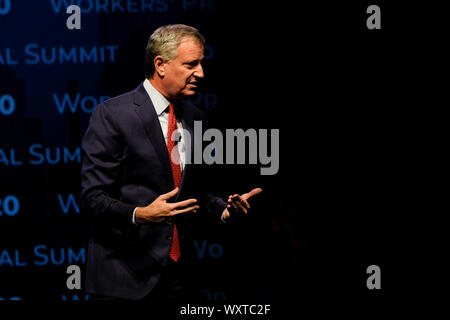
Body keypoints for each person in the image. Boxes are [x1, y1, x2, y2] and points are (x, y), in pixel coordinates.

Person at [80, 24, 262, 301]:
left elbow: (196, 193)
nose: (201, 73)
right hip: (123, 279)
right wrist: (140, 214)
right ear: (160, 65)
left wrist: (224, 210)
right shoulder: (113, 115)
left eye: (201, 63)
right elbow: (92, 198)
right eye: (191, 64)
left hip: (178, 278)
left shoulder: (195, 117)